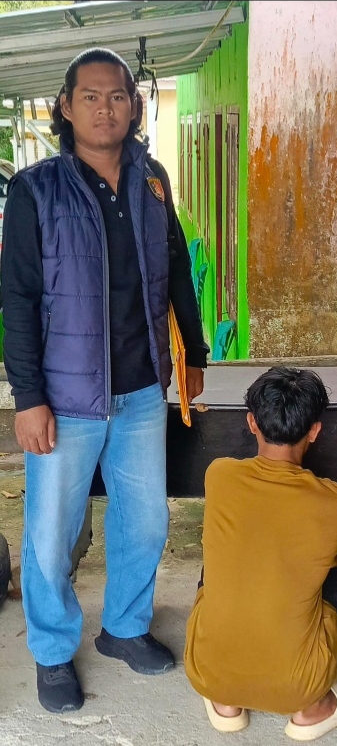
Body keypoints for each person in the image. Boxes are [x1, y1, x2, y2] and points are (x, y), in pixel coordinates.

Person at [0, 48, 209, 714]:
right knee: (51, 533)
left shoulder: (152, 180)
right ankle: (52, 651)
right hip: (65, 397)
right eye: (89, 96)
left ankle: (124, 627)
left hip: (143, 388)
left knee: (145, 522)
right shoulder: (36, 190)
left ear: (134, 106)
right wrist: (28, 397)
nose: (104, 108)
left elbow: (176, 269)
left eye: (117, 96)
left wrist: (194, 352)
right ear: (66, 107)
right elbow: (17, 299)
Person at [184, 366, 337, 740]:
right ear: (314, 431)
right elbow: (335, 557)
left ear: (252, 422)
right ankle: (311, 710)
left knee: (221, 562)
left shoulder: (218, 475)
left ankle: (226, 702)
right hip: (298, 688)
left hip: (206, 672)